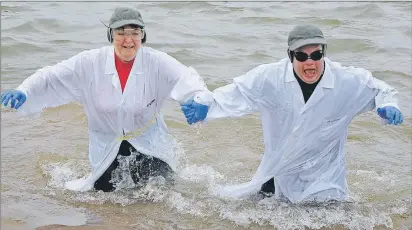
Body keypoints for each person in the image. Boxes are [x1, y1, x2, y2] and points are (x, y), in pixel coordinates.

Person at [181, 24, 404, 203]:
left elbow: (380, 89)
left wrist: (389, 105)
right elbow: (237, 93)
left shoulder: (346, 81)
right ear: (291, 56)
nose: (310, 63)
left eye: (316, 55)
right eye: (301, 56)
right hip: (278, 174)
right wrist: (206, 105)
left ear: (323, 54)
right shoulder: (270, 77)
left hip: (325, 181)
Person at [1, 7, 210, 192]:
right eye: (121, 33)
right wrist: (25, 90)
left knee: (160, 193)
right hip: (106, 147)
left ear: (142, 36)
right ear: (111, 34)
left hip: (150, 145)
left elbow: (186, 78)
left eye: (135, 33)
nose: (128, 40)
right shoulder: (89, 62)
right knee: (102, 198)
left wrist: (199, 99)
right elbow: (51, 76)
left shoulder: (157, 62)